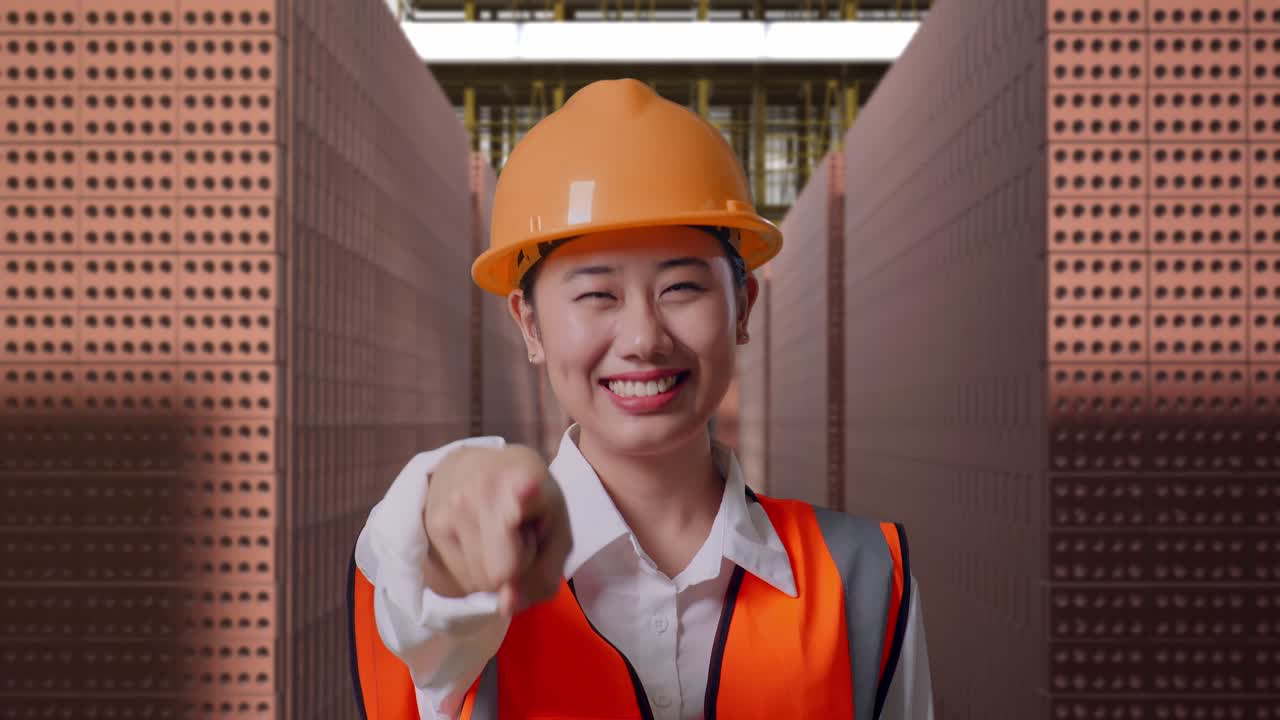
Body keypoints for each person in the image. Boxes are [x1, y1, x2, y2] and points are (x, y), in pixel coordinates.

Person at [348, 78, 935, 720]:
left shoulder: (863, 576)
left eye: (681, 287)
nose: (643, 339)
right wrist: (451, 498)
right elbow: (414, 571)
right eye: (597, 295)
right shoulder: (467, 587)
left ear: (743, 308)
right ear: (530, 325)